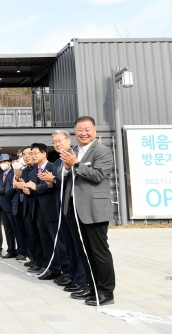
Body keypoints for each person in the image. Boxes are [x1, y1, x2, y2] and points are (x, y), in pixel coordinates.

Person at [58, 116, 116, 306]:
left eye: (87, 129)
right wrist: (67, 168)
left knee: (99, 252)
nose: (83, 133)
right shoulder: (72, 150)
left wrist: (76, 164)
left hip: (94, 209)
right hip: (73, 210)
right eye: (79, 129)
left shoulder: (102, 151)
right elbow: (61, 174)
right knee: (83, 251)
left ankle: (106, 292)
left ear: (94, 131)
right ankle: (92, 288)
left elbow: (99, 175)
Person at [41, 130, 87, 293]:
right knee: (67, 245)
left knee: (76, 245)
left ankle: (82, 279)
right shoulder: (57, 161)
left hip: (74, 206)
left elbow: (74, 178)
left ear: (68, 140)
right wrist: (50, 181)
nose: (57, 144)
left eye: (59, 141)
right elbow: (57, 182)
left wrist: (53, 179)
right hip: (62, 207)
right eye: (54, 142)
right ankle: (73, 276)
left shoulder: (73, 155)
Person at [24, 143, 70, 281]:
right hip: (37, 210)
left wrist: (36, 187)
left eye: (35, 153)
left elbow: (54, 186)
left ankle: (67, 271)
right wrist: (28, 190)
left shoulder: (53, 167)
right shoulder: (34, 171)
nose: (32, 156)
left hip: (52, 209)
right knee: (46, 242)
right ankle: (52, 268)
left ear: (44, 154)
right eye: (31, 153)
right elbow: (34, 189)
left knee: (58, 242)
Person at [0, 153, 19, 259]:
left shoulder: (13, 173)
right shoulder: (1, 175)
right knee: (8, 230)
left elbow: (10, 190)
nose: (2, 164)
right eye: (1, 162)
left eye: (4, 162)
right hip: (3, 206)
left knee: (16, 229)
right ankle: (11, 250)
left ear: (9, 162)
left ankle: (20, 250)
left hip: (11, 204)